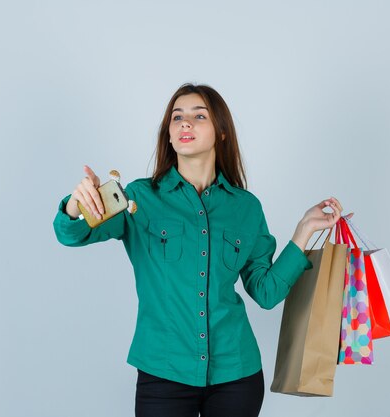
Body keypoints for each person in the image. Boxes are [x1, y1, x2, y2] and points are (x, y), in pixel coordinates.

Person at [53, 83, 349, 417]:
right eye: (177, 117)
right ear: (168, 134)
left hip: (236, 375)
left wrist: (303, 231)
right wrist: (77, 204)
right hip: (162, 374)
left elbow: (265, 292)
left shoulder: (246, 208)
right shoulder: (139, 198)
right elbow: (70, 234)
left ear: (221, 132)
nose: (185, 123)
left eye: (198, 116)